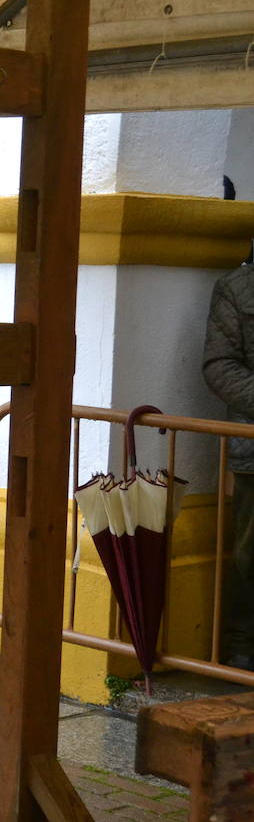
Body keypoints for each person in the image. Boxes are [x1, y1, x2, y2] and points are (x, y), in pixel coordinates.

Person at [203, 240, 254, 672]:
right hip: (253, 443)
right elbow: (220, 366)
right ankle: (244, 644)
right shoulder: (237, 288)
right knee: (249, 551)